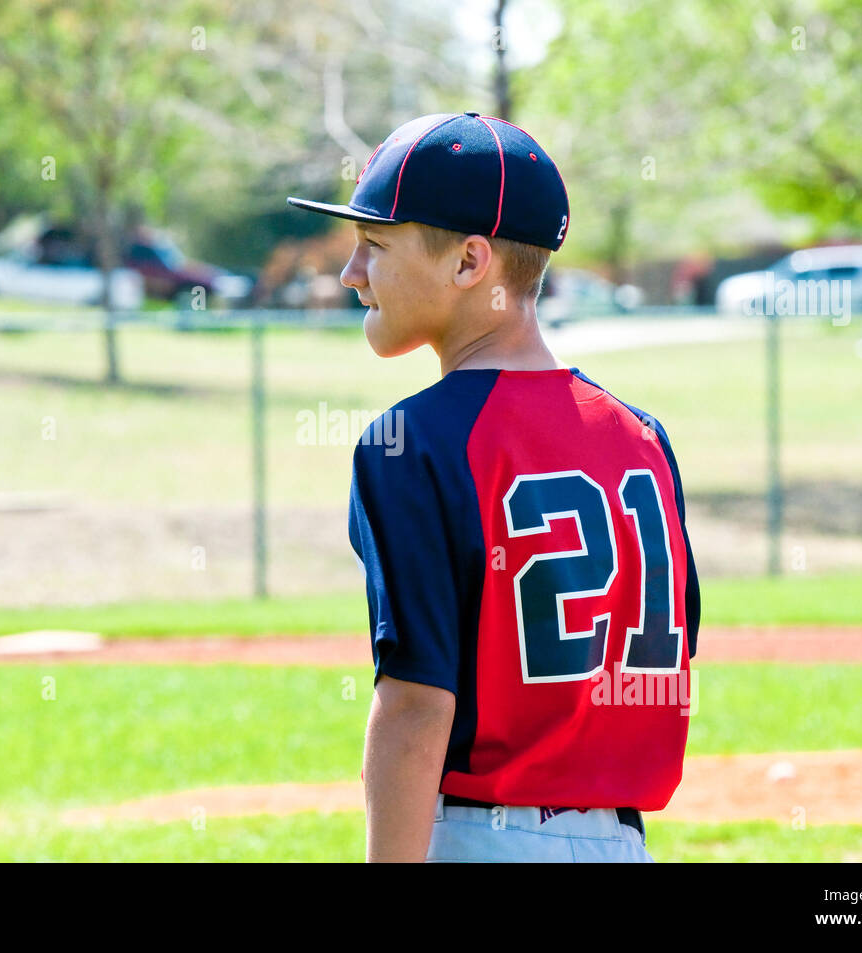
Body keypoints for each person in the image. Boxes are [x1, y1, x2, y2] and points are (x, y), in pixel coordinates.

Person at [287, 111, 700, 863]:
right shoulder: (643, 438)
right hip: (622, 843)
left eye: (374, 244)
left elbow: (415, 707)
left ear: (470, 262)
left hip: (487, 838)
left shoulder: (411, 440)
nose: (350, 272)